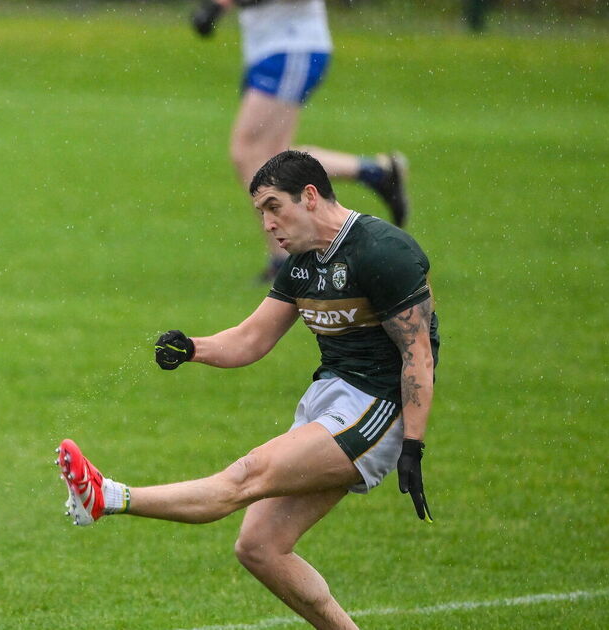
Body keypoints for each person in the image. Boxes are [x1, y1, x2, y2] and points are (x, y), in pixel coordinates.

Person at [57, 150, 438, 630]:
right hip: (330, 399)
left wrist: (413, 446)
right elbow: (253, 339)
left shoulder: (383, 252)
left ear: (311, 196)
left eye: (274, 206)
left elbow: (418, 355)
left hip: (377, 408)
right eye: (261, 211)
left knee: (248, 475)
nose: (267, 223)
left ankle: (108, 497)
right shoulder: (302, 264)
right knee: (259, 548)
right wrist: (192, 347)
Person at [190, 0, 410, 281]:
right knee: (273, 156)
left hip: (291, 44)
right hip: (271, 47)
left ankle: (287, 259)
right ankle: (375, 173)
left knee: (248, 153)